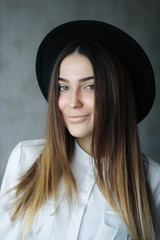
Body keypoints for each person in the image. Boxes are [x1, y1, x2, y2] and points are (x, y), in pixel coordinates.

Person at [0, 20, 160, 240]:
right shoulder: (25, 158)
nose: (72, 102)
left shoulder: (153, 181)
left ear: (115, 94)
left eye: (89, 86)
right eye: (63, 87)